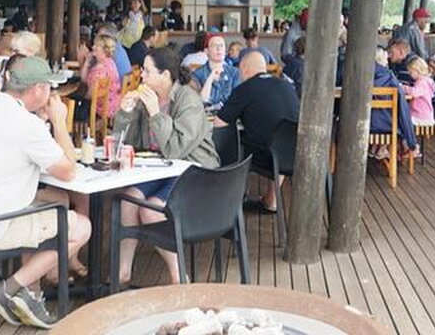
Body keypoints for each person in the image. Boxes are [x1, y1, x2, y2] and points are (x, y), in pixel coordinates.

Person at [0, 56, 90, 328]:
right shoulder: (27, 125)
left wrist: (39, 123)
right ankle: (11, 288)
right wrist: (59, 122)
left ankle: (31, 293)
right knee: (82, 227)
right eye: (49, 87)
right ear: (37, 89)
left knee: (57, 200)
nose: (51, 94)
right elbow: (69, 170)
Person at [112, 46, 219, 285]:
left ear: (166, 75)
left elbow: (176, 149)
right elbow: (126, 142)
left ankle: (179, 274)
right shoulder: (147, 97)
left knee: (150, 209)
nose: (142, 76)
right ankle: (123, 271)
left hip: (192, 170)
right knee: (129, 199)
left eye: (147, 71)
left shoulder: (188, 100)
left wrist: (155, 114)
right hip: (158, 168)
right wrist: (126, 112)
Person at [214, 51, 298, 213]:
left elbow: (220, 123)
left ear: (245, 69)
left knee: (232, 144)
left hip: (266, 157)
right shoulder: (285, 85)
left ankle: (232, 201)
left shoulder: (246, 88)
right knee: (279, 140)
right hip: (293, 154)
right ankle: (272, 201)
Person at [371, 50, 417, 158]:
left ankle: (377, 148)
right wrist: (411, 141)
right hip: (386, 126)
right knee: (398, 117)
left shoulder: (357, 74)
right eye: (386, 60)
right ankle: (398, 149)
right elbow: (403, 110)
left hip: (356, 124)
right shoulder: (389, 78)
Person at [191, 33, 240, 107]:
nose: (219, 48)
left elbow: (237, 100)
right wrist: (210, 78)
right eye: (214, 45)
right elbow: (200, 102)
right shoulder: (197, 74)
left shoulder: (234, 72)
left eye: (221, 46)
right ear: (206, 51)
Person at [82, 33, 122, 119]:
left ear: (105, 50)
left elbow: (90, 95)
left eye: (96, 45)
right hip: (113, 105)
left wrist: (81, 99)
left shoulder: (99, 68)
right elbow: (84, 80)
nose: (93, 47)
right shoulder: (110, 62)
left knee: (71, 103)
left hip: (102, 109)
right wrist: (87, 61)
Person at [404, 57, 435, 128]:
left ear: (417, 70)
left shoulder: (422, 83)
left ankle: (407, 135)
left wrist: (404, 88)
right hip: (426, 115)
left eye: (411, 72)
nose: (409, 74)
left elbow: (414, 93)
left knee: (403, 120)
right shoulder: (427, 81)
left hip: (420, 117)